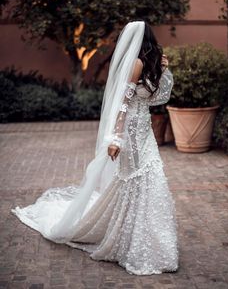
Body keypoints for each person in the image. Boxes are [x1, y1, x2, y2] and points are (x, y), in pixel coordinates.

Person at [11, 20, 179, 275]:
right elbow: (123, 104)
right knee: (136, 179)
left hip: (145, 130)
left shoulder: (149, 63)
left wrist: (164, 70)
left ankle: (151, 239)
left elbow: (156, 98)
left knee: (151, 176)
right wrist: (116, 139)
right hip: (131, 133)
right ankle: (131, 239)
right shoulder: (135, 65)